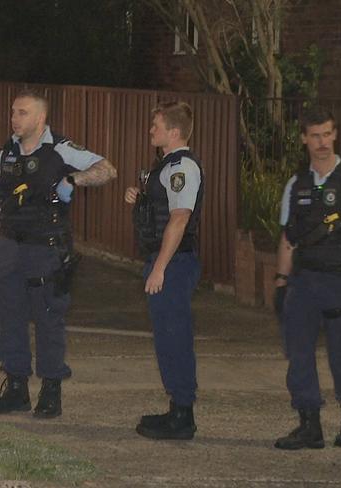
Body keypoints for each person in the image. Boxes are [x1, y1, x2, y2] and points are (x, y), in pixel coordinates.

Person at [0, 89, 117, 418]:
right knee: (9, 315)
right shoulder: (7, 151)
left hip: (46, 248)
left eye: (22, 113)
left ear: (40, 118)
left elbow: (108, 170)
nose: (14, 118)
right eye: (13, 112)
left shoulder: (60, 148)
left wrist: (73, 179)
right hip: (11, 245)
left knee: (48, 316)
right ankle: (17, 385)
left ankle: (51, 388)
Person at [273, 107, 341, 450]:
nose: (321, 142)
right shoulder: (296, 184)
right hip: (304, 283)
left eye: (327, 134)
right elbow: (288, 238)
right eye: (314, 135)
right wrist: (281, 281)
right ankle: (309, 426)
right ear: (304, 138)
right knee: (299, 355)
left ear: (335, 135)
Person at [124, 101, 204, 440]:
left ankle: (183, 416)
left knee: (175, 337)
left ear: (174, 132)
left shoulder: (182, 166)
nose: (151, 130)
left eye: (156, 125)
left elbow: (180, 218)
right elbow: (162, 208)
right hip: (166, 262)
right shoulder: (167, 166)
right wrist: (138, 196)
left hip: (173, 264)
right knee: (166, 338)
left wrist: (159, 269)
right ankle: (176, 408)